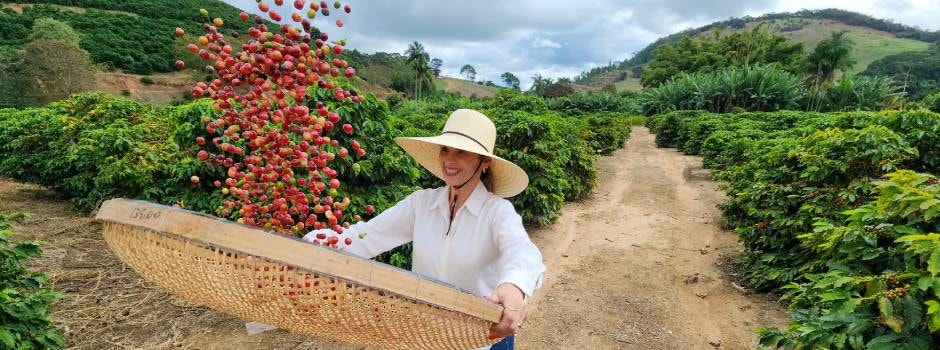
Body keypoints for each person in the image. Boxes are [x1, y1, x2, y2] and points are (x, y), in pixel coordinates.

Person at [303, 109, 545, 350]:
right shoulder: (422, 204)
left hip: (482, 341)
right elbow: (367, 236)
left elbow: (523, 251)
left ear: (484, 163)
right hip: (428, 337)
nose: (449, 159)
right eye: (446, 149)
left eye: (461, 152)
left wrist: (513, 287)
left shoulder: (496, 211)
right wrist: (314, 246)